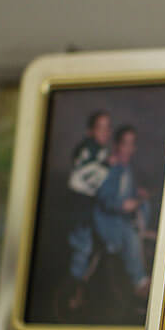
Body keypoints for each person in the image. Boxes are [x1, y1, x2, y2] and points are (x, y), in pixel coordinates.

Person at [94, 125, 151, 298]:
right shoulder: (110, 168)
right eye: (124, 144)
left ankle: (142, 240)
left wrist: (137, 194)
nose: (128, 149)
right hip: (108, 220)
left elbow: (127, 191)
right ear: (116, 146)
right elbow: (105, 198)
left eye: (131, 144)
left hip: (123, 218)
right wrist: (122, 205)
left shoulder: (127, 169)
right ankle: (139, 281)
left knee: (145, 206)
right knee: (130, 235)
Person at [66, 110, 112, 307]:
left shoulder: (104, 153)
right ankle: (73, 291)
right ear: (90, 131)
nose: (105, 132)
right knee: (82, 249)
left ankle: (88, 289)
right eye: (100, 128)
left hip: (95, 211)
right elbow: (78, 180)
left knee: (99, 248)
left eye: (107, 128)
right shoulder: (86, 151)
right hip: (80, 211)